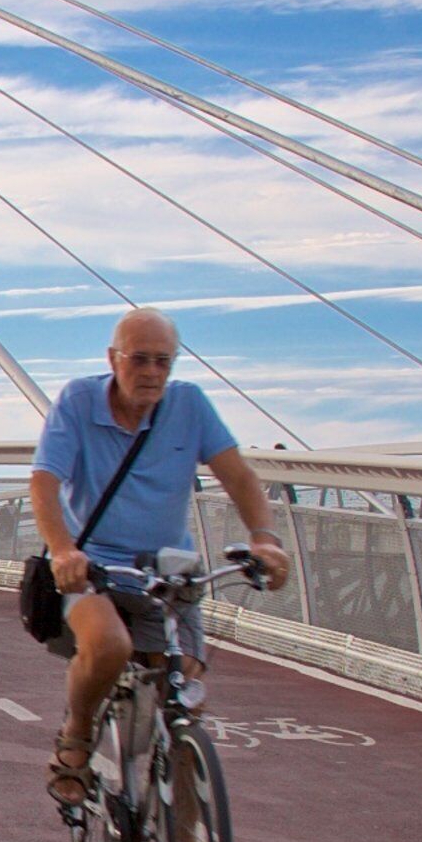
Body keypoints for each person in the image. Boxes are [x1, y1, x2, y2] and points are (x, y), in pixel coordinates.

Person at [30, 309, 290, 811]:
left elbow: (238, 476)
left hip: (169, 571)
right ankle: (76, 738)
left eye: (163, 362)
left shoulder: (189, 404)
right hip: (97, 567)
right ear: (113, 359)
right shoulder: (78, 402)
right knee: (108, 645)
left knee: (183, 696)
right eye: (140, 359)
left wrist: (265, 539)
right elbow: (44, 482)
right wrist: (63, 550)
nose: (152, 373)